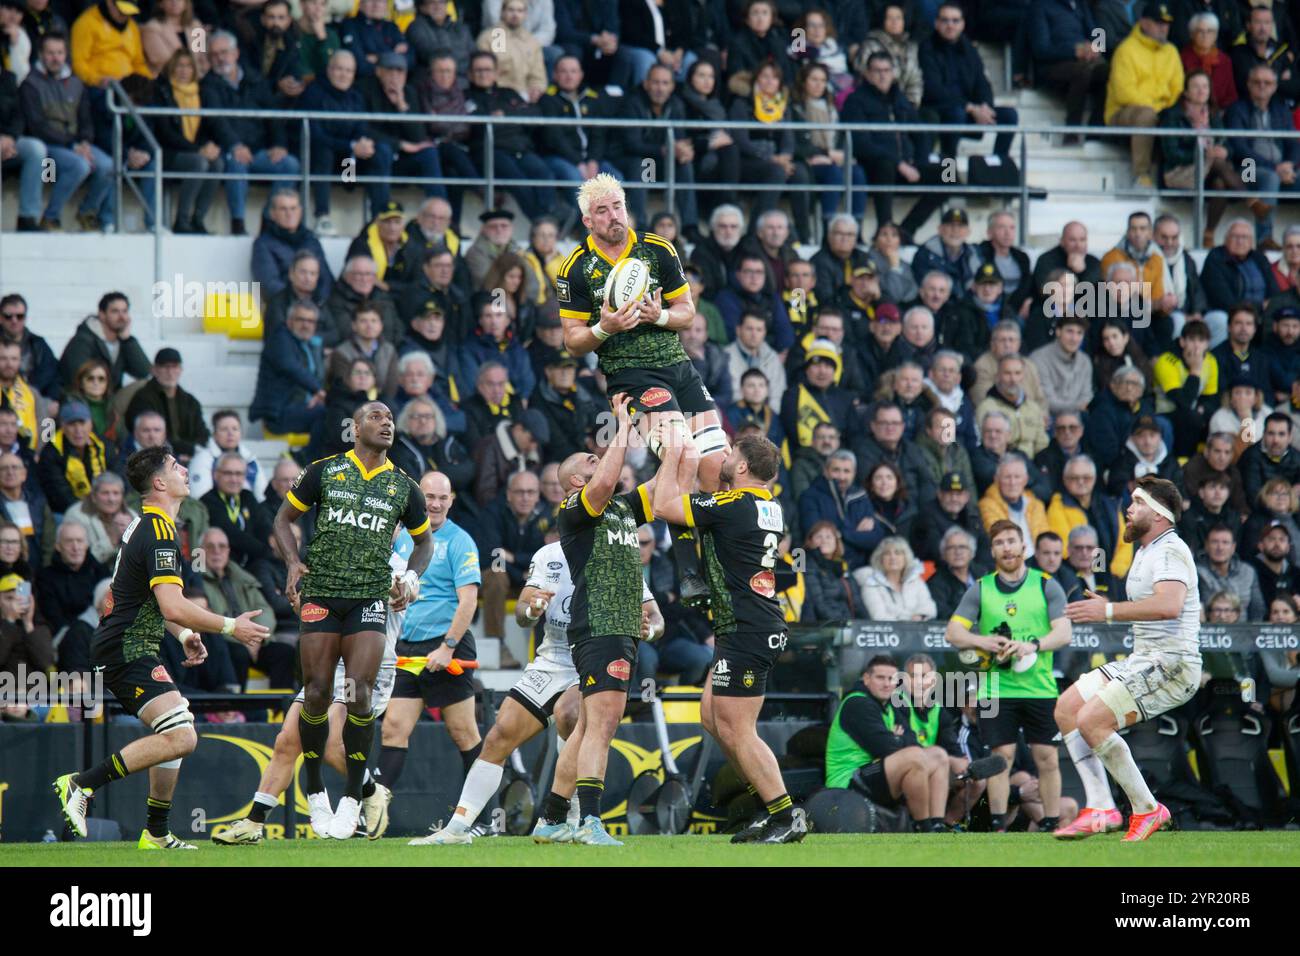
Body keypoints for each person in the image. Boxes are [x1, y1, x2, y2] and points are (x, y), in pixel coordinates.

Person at [51, 446, 270, 848]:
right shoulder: (159, 531)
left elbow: (149, 601)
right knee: (183, 736)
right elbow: (172, 604)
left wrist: (185, 635)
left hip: (128, 644)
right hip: (125, 649)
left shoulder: (148, 526)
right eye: (175, 466)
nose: (184, 469)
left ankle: (155, 831)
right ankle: (81, 784)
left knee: (177, 728)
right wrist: (229, 626)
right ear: (158, 482)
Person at [417, 534, 659, 844]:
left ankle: (566, 816)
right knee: (499, 735)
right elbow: (521, 615)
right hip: (553, 658)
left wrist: (650, 628)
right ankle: (457, 829)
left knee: (570, 715)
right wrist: (532, 610)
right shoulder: (549, 555)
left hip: (593, 657)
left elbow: (656, 617)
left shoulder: (620, 555)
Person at [271, 401, 433, 839]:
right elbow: (283, 519)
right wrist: (292, 562)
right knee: (317, 693)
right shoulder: (323, 471)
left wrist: (411, 578)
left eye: (391, 420)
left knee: (359, 694)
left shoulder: (404, 486)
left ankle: (350, 798)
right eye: (377, 417)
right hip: (321, 592)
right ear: (355, 427)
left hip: (368, 598)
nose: (387, 424)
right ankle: (314, 790)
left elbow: (424, 544)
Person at [558, 173, 717, 604]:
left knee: (716, 469)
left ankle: (640, 520)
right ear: (588, 220)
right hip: (634, 376)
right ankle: (688, 571)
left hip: (680, 369)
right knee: (681, 451)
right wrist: (603, 327)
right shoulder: (575, 268)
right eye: (604, 211)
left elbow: (687, 311)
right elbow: (572, 342)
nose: (615, 217)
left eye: (619, 206)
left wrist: (658, 315)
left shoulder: (657, 248)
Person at [212, 528, 409, 844]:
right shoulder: (337, 558)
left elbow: (403, 592)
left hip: (368, 666)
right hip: (329, 662)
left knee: (332, 743)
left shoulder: (397, 566)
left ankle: (370, 793)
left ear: (395, 525)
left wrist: (404, 588)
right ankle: (254, 823)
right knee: (286, 739)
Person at [653, 431, 802, 842]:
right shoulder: (766, 505)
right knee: (711, 718)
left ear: (740, 467)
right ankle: (768, 809)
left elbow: (664, 506)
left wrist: (669, 458)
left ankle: (786, 815)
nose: (722, 458)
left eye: (729, 454)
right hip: (745, 625)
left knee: (738, 730)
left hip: (747, 628)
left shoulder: (734, 504)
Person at [1058, 477, 1203, 840]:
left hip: (1173, 664)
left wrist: (1108, 611)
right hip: (1145, 659)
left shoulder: (1171, 550)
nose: (1128, 509)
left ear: (1158, 514)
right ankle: (1101, 807)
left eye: (1137, 502)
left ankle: (1147, 809)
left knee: (1091, 720)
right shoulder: (1146, 550)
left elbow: (1170, 606)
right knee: (1067, 708)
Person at [545, 395, 661, 846]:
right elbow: (609, 474)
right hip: (601, 622)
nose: (602, 459)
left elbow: (668, 484)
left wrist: (670, 437)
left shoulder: (622, 509)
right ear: (576, 479)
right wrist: (619, 426)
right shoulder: (576, 508)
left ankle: (554, 817)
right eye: (591, 459)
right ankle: (591, 822)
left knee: (592, 724)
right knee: (603, 725)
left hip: (619, 626)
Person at [945, 519, 1073, 831]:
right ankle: (998, 826)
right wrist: (983, 641)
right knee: (1001, 759)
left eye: (1012, 541)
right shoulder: (981, 588)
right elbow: (952, 632)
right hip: (995, 687)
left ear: (1023, 547)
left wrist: (1033, 645)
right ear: (992, 551)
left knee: (1047, 758)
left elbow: (1065, 632)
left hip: (1040, 688)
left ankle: (1051, 823)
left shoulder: (1045, 584)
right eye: (1000, 542)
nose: (1007, 547)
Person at [823, 655, 955, 831]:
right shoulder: (858, 702)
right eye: (880, 678)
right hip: (849, 781)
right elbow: (885, 748)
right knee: (914, 757)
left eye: (891, 678)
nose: (886, 684)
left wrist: (895, 738)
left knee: (938, 755)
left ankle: (937, 824)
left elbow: (911, 741)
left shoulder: (890, 705)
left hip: (876, 772)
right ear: (867, 679)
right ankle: (923, 827)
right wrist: (896, 739)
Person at [202, 29, 300, 236]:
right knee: (236, 164)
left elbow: (274, 116)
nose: (220, 58)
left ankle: (268, 221)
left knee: (290, 164)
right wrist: (235, 145)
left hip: (260, 151)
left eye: (224, 52)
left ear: (236, 53)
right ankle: (238, 223)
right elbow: (216, 121)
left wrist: (279, 145)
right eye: (214, 54)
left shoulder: (256, 80)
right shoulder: (207, 85)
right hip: (230, 150)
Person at [841, 51, 945, 241]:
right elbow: (861, 143)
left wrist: (918, 162)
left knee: (949, 174)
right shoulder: (856, 101)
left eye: (887, 70)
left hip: (906, 166)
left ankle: (905, 231)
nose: (882, 75)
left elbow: (920, 134)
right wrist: (899, 163)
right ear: (867, 74)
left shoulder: (900, 99)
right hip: (874, 168)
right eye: (877, 71)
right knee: (884, 165)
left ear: (893, 73)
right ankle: (885, 229)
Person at [19, 31, 116, 233]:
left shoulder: (75, 82)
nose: (56, 58)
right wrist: (74, 145)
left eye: (60, 53)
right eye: (50, 53)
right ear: (41, 54)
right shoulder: (30, 83)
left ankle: (87, 212)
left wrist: (86, 143)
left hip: (74, 144)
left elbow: (86, 120)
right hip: (47, 148)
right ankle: (50, 217)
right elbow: (37, 127)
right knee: (80, 166)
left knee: (108, 165)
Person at [299, 49, 392, 233]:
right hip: (319, 161)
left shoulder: (355, 97)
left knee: (381, 151)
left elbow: (361, 128)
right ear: (329, 70)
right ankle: (322, 216)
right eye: (339, 69)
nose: (344, 75)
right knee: (324, 152)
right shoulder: (313, 94)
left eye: (349, 71)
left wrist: (361, 145)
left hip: (347, 165)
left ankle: (378, 218)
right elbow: (316, 137)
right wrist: (350, 145)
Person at [920, 3, 1018, 160]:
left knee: (1009, 116)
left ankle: (997, 165)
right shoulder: (927, 48)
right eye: (945, 20)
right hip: (943, 109)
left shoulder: (969, 49)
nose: (950, 25)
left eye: (955, 20)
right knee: (955, 115)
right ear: (936, 23)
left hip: (969, 110)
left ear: (962, 24)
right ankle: (948, 177)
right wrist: (970, 108)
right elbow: (934, 89)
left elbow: (982, 82)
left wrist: (985, 106)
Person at [1106, 2, 1185, 189]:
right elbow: (1124, 92)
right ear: (1143, 22)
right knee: (1147, 115)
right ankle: (1140, 175)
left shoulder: (1171, 51)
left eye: (1166, 24)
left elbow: (1178, 88)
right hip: (1122, 111)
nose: (1164, 28)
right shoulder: (1126, 49)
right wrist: (1156, 107)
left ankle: (1177, 177)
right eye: (1158, 23)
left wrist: (1165, 109)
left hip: (1161, 110)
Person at [1225, 65, 1299, 249]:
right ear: (1249, 84)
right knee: (1270, 177)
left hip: (1280, 167)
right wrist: (1276, 168)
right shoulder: (1237, 109)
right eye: (1257, 82)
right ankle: (1264, 238)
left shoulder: (1280, 109)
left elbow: (1293, 143)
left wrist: (1290, 165)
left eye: (1267, 83)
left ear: (1274, 87)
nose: (1262, 86)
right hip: (1246, 168)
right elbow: (1240, 149)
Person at [1029, 0, 1109, 140]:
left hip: (1084, 61)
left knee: (1108, 71)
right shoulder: (1040, 6)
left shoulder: (1081, 5)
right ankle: (1072, 132)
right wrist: (1074, 52)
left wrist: (1097, 49)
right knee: (1082, 72)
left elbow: (1098, 31)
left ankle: (1095, 130)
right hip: (1053, 66)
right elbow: (1041, 50)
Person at [58, 291, 151, 392]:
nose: (122, 317)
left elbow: (144, 372)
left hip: (111, 400)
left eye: (124, 311)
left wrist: (128, 340)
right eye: (115, 311)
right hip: (83, 400)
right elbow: (78, 378)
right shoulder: (83, 341)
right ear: (102, 315)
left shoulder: (124, 343)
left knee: (144, 386)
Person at [252, 189, 334, 302]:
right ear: (272, 214)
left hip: (316, 308)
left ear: (300, 211)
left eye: (293, 208)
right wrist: (299, 304)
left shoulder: (311, 240)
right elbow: (269, 284)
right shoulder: (263, 244)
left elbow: (326, 279)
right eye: (283, 209)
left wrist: (318, 304)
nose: (289, 214)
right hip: (283, 310)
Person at [853, 534, 936, 621]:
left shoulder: (916, 581)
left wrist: (921, 616)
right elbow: (878, 616)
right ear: (880, 559)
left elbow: (930, 609)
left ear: (906, 558)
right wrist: (910, 619)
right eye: (887, 554)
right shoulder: (870, 583)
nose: (893, 557)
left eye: (898, 553)